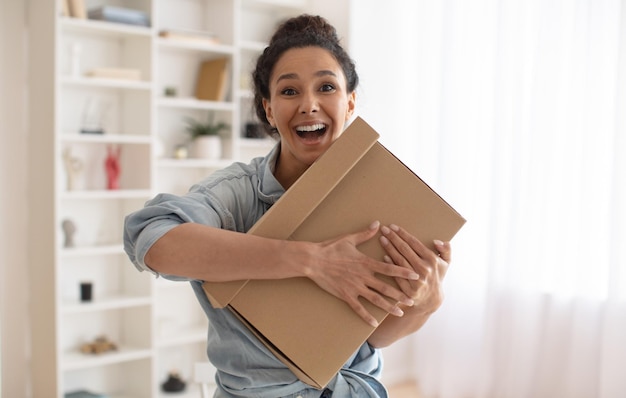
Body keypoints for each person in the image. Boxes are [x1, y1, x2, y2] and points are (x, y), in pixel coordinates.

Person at [124, 14, 452, 398]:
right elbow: (151, 240)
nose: (309, 105)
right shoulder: (237, 194)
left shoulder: (386, 197)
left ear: (349, 103)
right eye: (289, 91)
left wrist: (426, 303)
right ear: (267, 109)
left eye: (326, 87)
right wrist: (310, 260)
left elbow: (374, 336)